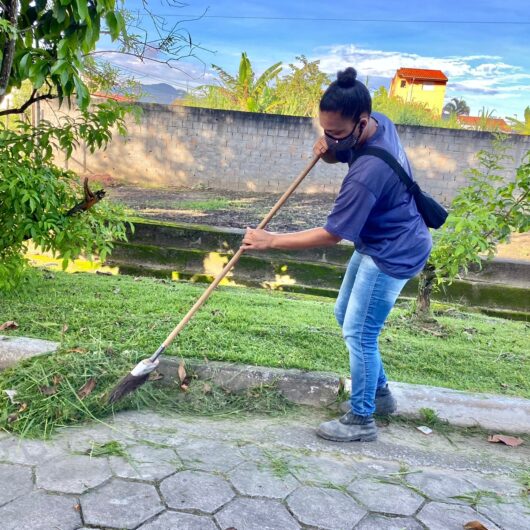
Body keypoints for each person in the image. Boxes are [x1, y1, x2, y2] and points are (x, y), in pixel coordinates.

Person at [241, 67, 432, 442]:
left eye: (337, 133)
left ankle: (362, 419)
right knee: (345, 315)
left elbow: (332, 235)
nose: (329, 138)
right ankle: (380, 396)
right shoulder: (380, 121)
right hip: (382, 239)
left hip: (393, 251)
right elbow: (343, 150)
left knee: (360, 334)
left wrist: (269, 241)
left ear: (360, 123)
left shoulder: (367, 174)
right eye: (324, 130)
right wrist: (329, 150)